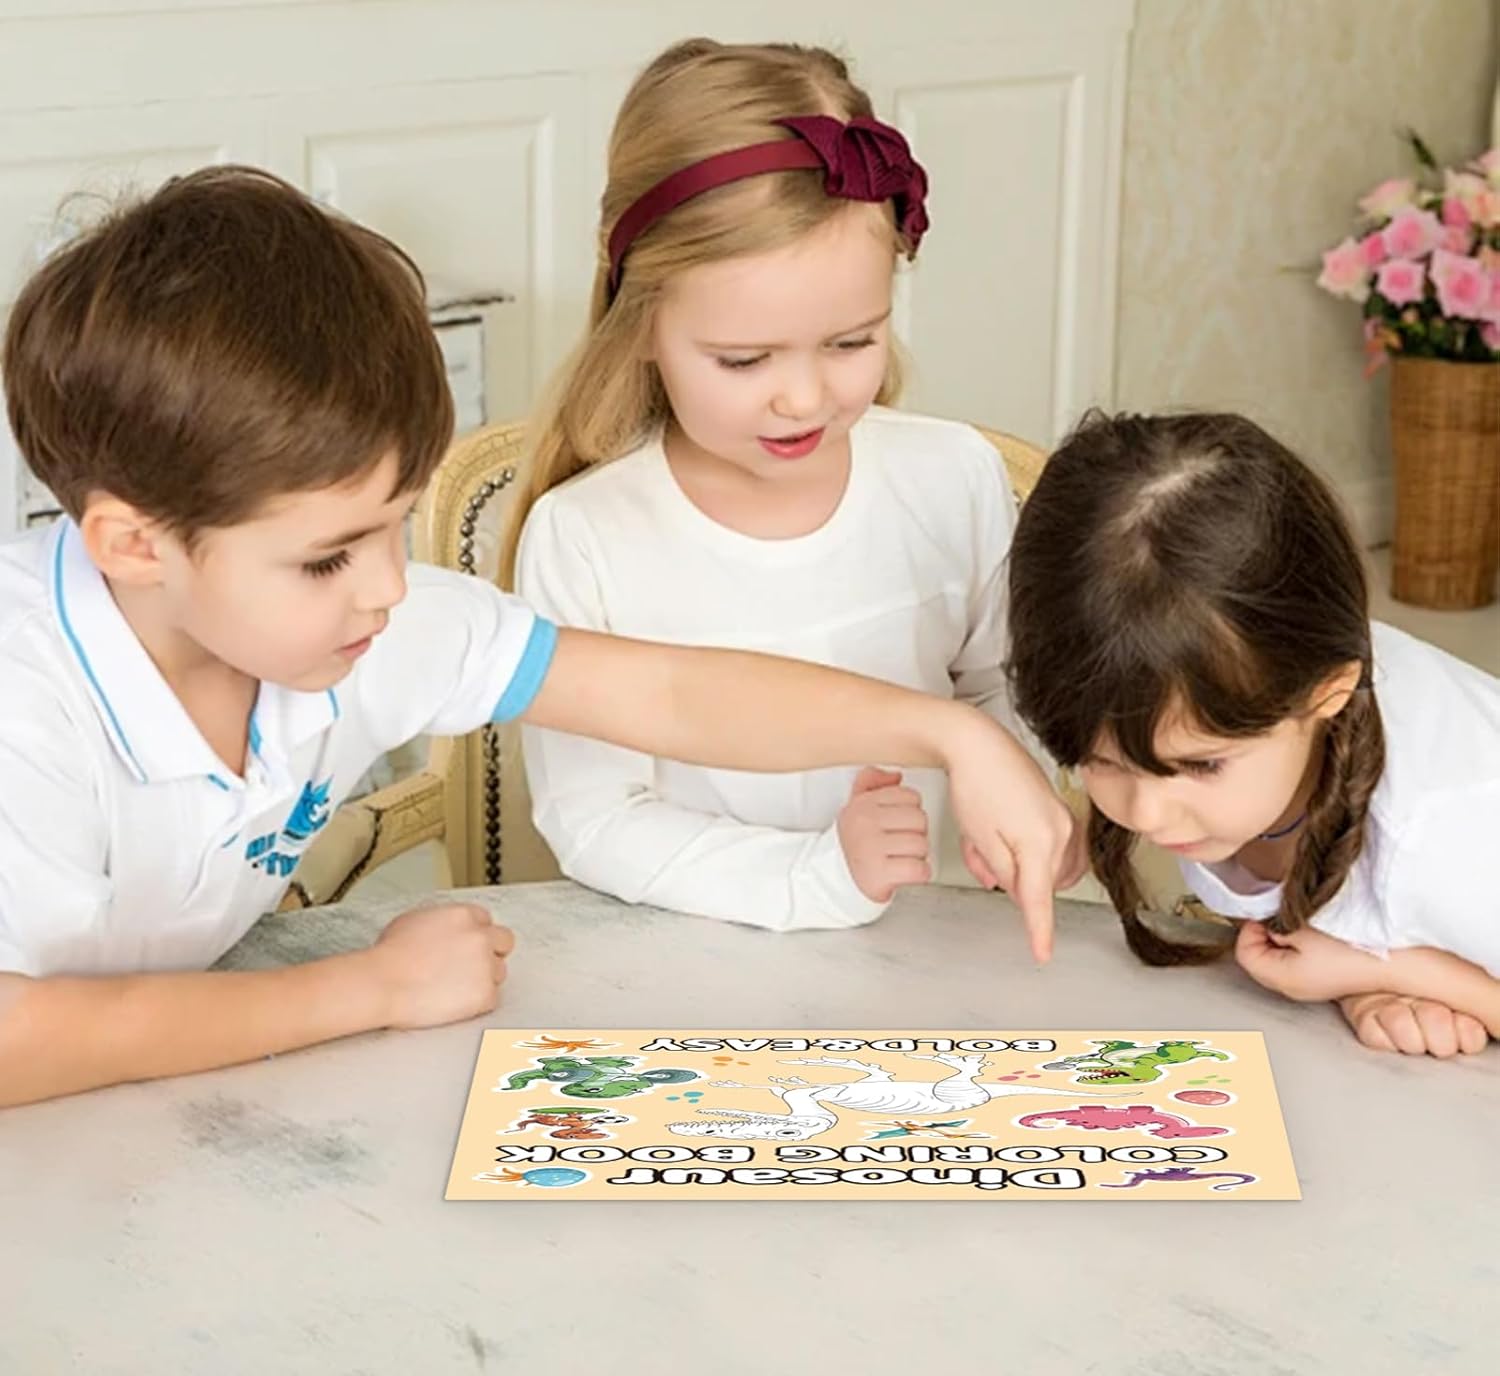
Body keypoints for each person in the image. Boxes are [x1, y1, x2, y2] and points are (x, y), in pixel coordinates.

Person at [0, 165, 1075, 1107]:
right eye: (328, 558)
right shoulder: (24, 700)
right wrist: (369, 988)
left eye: (396, 525)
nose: (388, 587)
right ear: (133, 546)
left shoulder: (369, 622)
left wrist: (953, 735)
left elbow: (667, 696)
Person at [509, 39, 1055, 931]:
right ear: (638, 322)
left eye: (851, 342)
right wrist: (818, 876)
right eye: (744, 359)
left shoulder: (952, 477)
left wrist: (1025, 799)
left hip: (942, 945)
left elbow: (1007, 689)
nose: (803, 398)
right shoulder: (588, 536)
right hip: (701, 961)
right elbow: (596, 818)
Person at [1005, 409, 1500, 1057]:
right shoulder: (1255, 691)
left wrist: (1394, 971)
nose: (1146, 814)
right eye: (1102, 761)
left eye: (1201, 765)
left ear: (1328, 692)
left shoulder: (1447, 834)